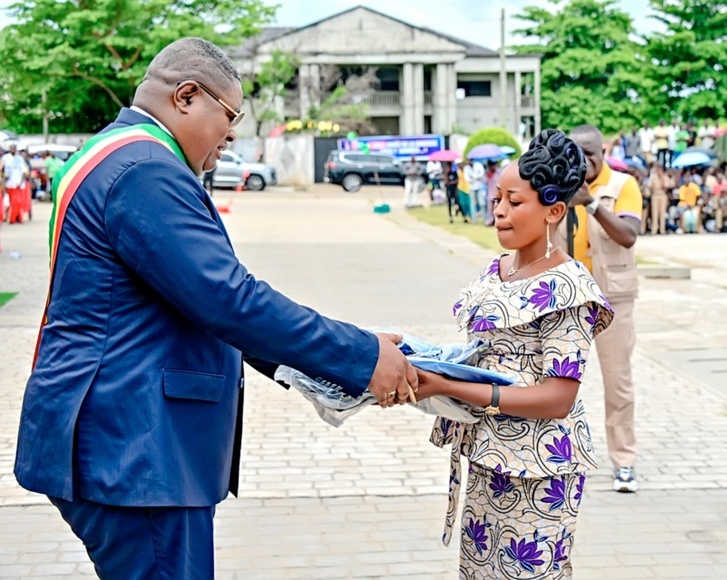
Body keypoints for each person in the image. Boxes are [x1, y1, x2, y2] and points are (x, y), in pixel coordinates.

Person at [14, 37, 418, 578]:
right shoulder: (145, 169)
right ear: (186, 96)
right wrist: (359, 355)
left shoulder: (110, 153)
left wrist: (321, 367)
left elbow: (195, 302)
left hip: (119, 440)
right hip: (136, 449)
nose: (231, 136)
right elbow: (229, 300)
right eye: (230, 116)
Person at [419, 128, 613, 577]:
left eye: (514, 201)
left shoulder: (569, 288)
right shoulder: (497, 270)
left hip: (539, 467)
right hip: (487, 454)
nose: (499, 211)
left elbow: (558, 398)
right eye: (497, 199)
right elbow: (482, 352)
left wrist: (454, 388)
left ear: (554, 210)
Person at [562, 124, 643, 492]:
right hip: (568, 300)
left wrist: (590, 203)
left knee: (618, 383)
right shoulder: (561, 186)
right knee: (558, 382)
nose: (584, 160)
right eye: (576, 153)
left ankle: (624, 462)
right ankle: (559, 457)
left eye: (590, 153)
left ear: (602, 152)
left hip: (613, 299)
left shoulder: (623, 185)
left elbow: (628, 236)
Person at [1, 144, 29, 224]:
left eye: (14, 148)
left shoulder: (19, 159)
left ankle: (15, 218)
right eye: (11, 148)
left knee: (17, 202)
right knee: (8, 202)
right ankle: (9, 217)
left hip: (17, 184)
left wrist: (21, 181)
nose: (13, 149)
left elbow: (24, 171)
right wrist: (3, 180)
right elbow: (1, 168)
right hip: (8, 184)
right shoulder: (5, 158)